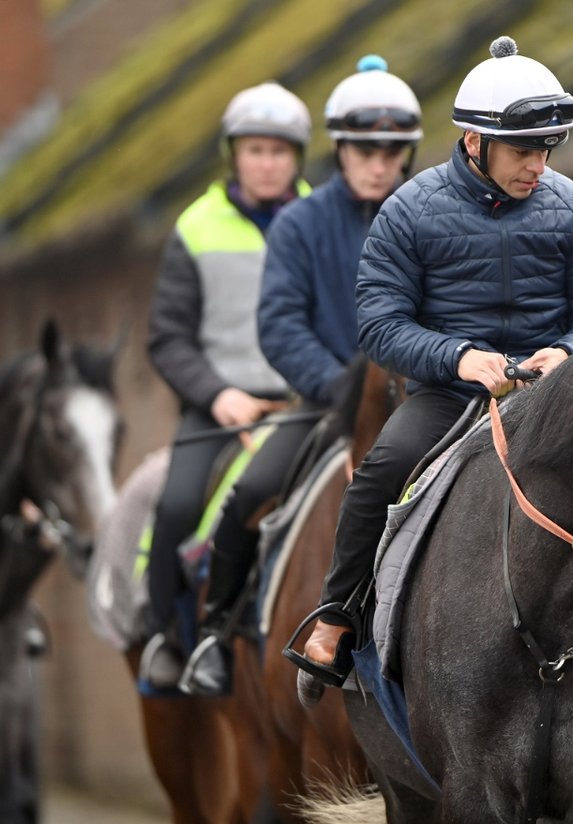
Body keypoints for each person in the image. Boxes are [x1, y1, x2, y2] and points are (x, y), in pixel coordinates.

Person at [291, 35, 573, 687]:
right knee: (379, 472)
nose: (539, 164)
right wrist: (460, 357)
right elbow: (380, 325)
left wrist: (570, 350)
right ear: (474, 142)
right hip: (450, 395)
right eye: (524, 150)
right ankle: (336, 617)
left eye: (547, 149)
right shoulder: (408, 212)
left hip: (558, 394)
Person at [178, 56, 424, 696]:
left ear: (409, 151)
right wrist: (340, 385)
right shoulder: (299, 224)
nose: (378, 162)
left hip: (426, 398)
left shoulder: (432, 215)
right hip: (326, 404)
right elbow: (281, 324)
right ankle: (212, 632)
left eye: (392, 150)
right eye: (364, 149)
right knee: (250, 489)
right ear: (340, 150)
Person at [138, 81, 311, 689]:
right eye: (255, 150)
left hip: (304, 406)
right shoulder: (195, 227)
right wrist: (219, 394)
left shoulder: (321, 217)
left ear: (297, 158)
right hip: (222, 408)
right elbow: (168, 338)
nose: (267, 163)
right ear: (233, 154)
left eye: (279, 151)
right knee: (180, 502)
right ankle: (165, 633)